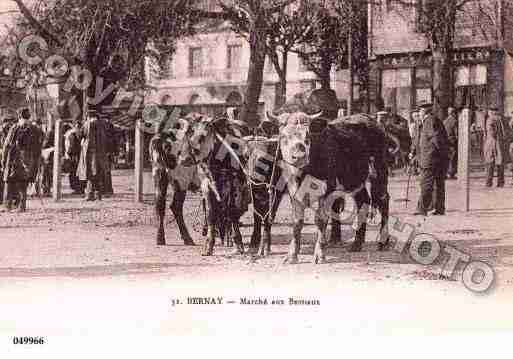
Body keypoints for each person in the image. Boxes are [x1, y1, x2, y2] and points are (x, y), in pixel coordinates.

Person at [1, 108, 43, 211]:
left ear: (19, 116)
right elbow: (39, 146)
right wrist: (36, 161)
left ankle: (8, 205)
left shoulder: (15, 128)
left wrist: (3, 160)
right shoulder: (35, 129)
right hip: (28, 160)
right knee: (23, 182)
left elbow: (7, 145)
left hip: (14, 159)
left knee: (9, 182)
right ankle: (22, 206)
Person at [412, 103, 449, 216]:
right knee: (438, 184)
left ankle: (422, 209)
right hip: (434, 158)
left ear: (425, 111)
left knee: (426, 184)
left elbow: (436, 139)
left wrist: (438, 154)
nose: (419, 113)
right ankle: (439, 208)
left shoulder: (429, 121)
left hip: (430, 159)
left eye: (420, 111)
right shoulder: (430, 121)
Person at [77, 109, 108, 201]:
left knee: (89, 173)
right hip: (100, 152)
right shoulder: (102, 124)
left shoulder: (87, 124)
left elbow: (80, 135)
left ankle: (90, 194)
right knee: (98, 172)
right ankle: (98, 194)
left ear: (88, 116)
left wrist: (77, 128)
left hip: (89, 152)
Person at [483, 108, 510, 187]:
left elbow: (491, 133)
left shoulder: (490, 119)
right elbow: (508, 131)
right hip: (501, 144)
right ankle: (501, 182)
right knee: (500, 163)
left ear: (491, 111)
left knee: (490, 163)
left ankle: (488, 182)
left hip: (492, 143)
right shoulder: (502, 119)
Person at [64, 121, 84, 194]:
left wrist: (68, 153)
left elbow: (71, 146)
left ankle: (76, 188)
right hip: (79, 155)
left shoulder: (71, 134)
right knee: (78, 172)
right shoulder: (79, 133)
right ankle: (80, 188)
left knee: (73, 172)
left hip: (73, 156)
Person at [444, 107, 459, 179]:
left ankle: (447, 172)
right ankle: (451, 173)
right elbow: (456, 133)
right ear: (453, 113)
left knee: (448, 157)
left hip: (446, 141)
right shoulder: (454, 121)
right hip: (453, 141)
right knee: (453, 157)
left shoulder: (445, 121)